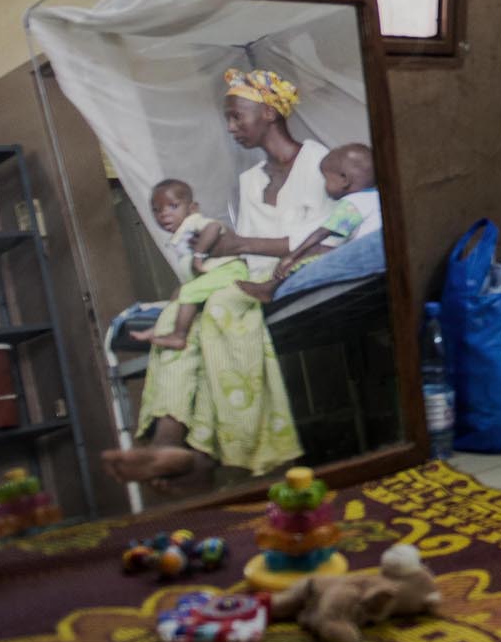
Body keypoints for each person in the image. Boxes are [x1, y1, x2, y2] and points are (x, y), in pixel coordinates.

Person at [102, 69, 315, 488]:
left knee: (219, 308)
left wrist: (237, 247)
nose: (232, 127)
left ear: (270, 112)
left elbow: (328, 235)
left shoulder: (318, 163)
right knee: (176, 320)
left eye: (238, 116)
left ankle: (204, 452)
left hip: (292, 269)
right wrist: (228, 253)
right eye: (229, 119)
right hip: (248, 272)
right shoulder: (250, 181)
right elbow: (242, 249)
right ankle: (170, 437)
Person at [237, 144, 379, 304]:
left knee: (312, 250)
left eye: (326, 179)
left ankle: (270, 288)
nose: (324, 187)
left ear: (344, 180)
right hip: (365, 250)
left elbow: (322, 233)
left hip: (359, 254)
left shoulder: (353, 203)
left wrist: (292, 256)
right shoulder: (375, 197)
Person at [145, 178, 250, 350]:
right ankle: (162, 326)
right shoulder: (179, 233)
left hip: (230, 271)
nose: (164, 214)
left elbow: (214, 227)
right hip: (215, 275)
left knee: (187, 291)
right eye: (157, 210)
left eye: (173, 206)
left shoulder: (194, 222)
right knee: (178, 292)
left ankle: (179, 336)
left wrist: (199, 254)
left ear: (192, 208)